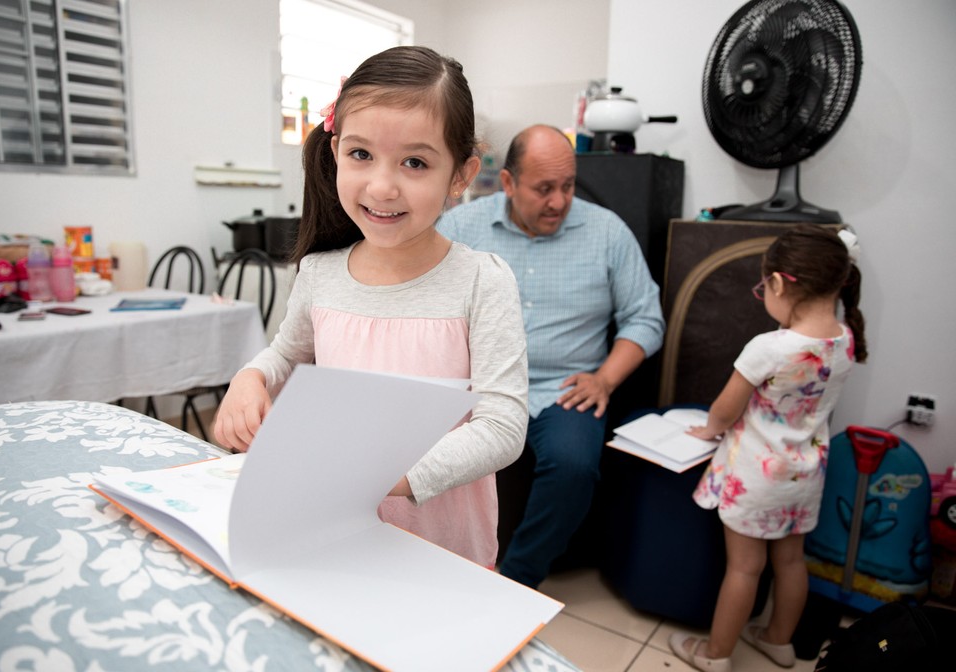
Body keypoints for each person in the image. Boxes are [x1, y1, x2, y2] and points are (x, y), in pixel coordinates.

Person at [213, 45, 529, 570]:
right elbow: (284, 354)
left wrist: (389, 475)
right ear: (336, 151)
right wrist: (250, 377)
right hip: (334, 529)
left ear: (460, 174)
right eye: (361, 155)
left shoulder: (481, 282)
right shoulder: (320, 273)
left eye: (414, 162)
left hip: (442, 547)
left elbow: (502, 427)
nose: (382, 186)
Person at [437, 124, 665, 588]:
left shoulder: (607, 232)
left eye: (567, 186)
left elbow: (646, 318)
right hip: (478, 384)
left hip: (563, 390)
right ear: (508, 183)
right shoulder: (462, 227)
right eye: (543, 189)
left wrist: (604, 379)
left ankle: (517, 581)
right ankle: (438, 559)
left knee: (575, 464)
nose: (559, 202)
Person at [668, 225, 867, 672]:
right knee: (792, 561)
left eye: (763, 287)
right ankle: (779, 641)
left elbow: (726, 407)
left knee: (744, 569)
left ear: (778, 283)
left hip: (757, 478)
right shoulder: (845, 338)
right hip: (806, 474)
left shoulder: (770, 348)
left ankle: (716, 654)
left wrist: (709, 430)